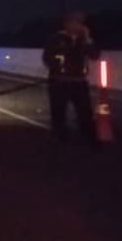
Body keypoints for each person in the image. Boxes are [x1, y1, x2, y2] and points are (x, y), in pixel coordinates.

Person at [43, 10, 100, 146]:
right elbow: (47, 58)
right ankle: (59, 137)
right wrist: (59, 64)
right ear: (66, 24)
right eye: (73, 22)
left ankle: (89, 139)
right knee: (58, 111)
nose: (77, 25)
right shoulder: (56, 39)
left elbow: (94, 55)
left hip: (79, 82)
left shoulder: (84, 40)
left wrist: (88, 39)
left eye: (79, 22)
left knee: (85, 112)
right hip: (58, 81)